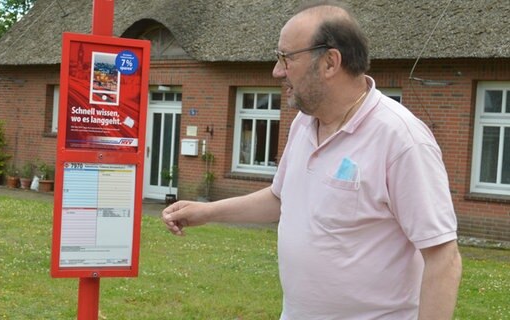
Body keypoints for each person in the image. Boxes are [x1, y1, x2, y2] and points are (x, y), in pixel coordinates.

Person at [162, 1, 462, 319]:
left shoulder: (401, 140)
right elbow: (282, 198)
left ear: (330, 63)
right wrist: (207, 212)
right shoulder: (305, 123)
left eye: (286, 58)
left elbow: (443, 257)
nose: (277, 71)